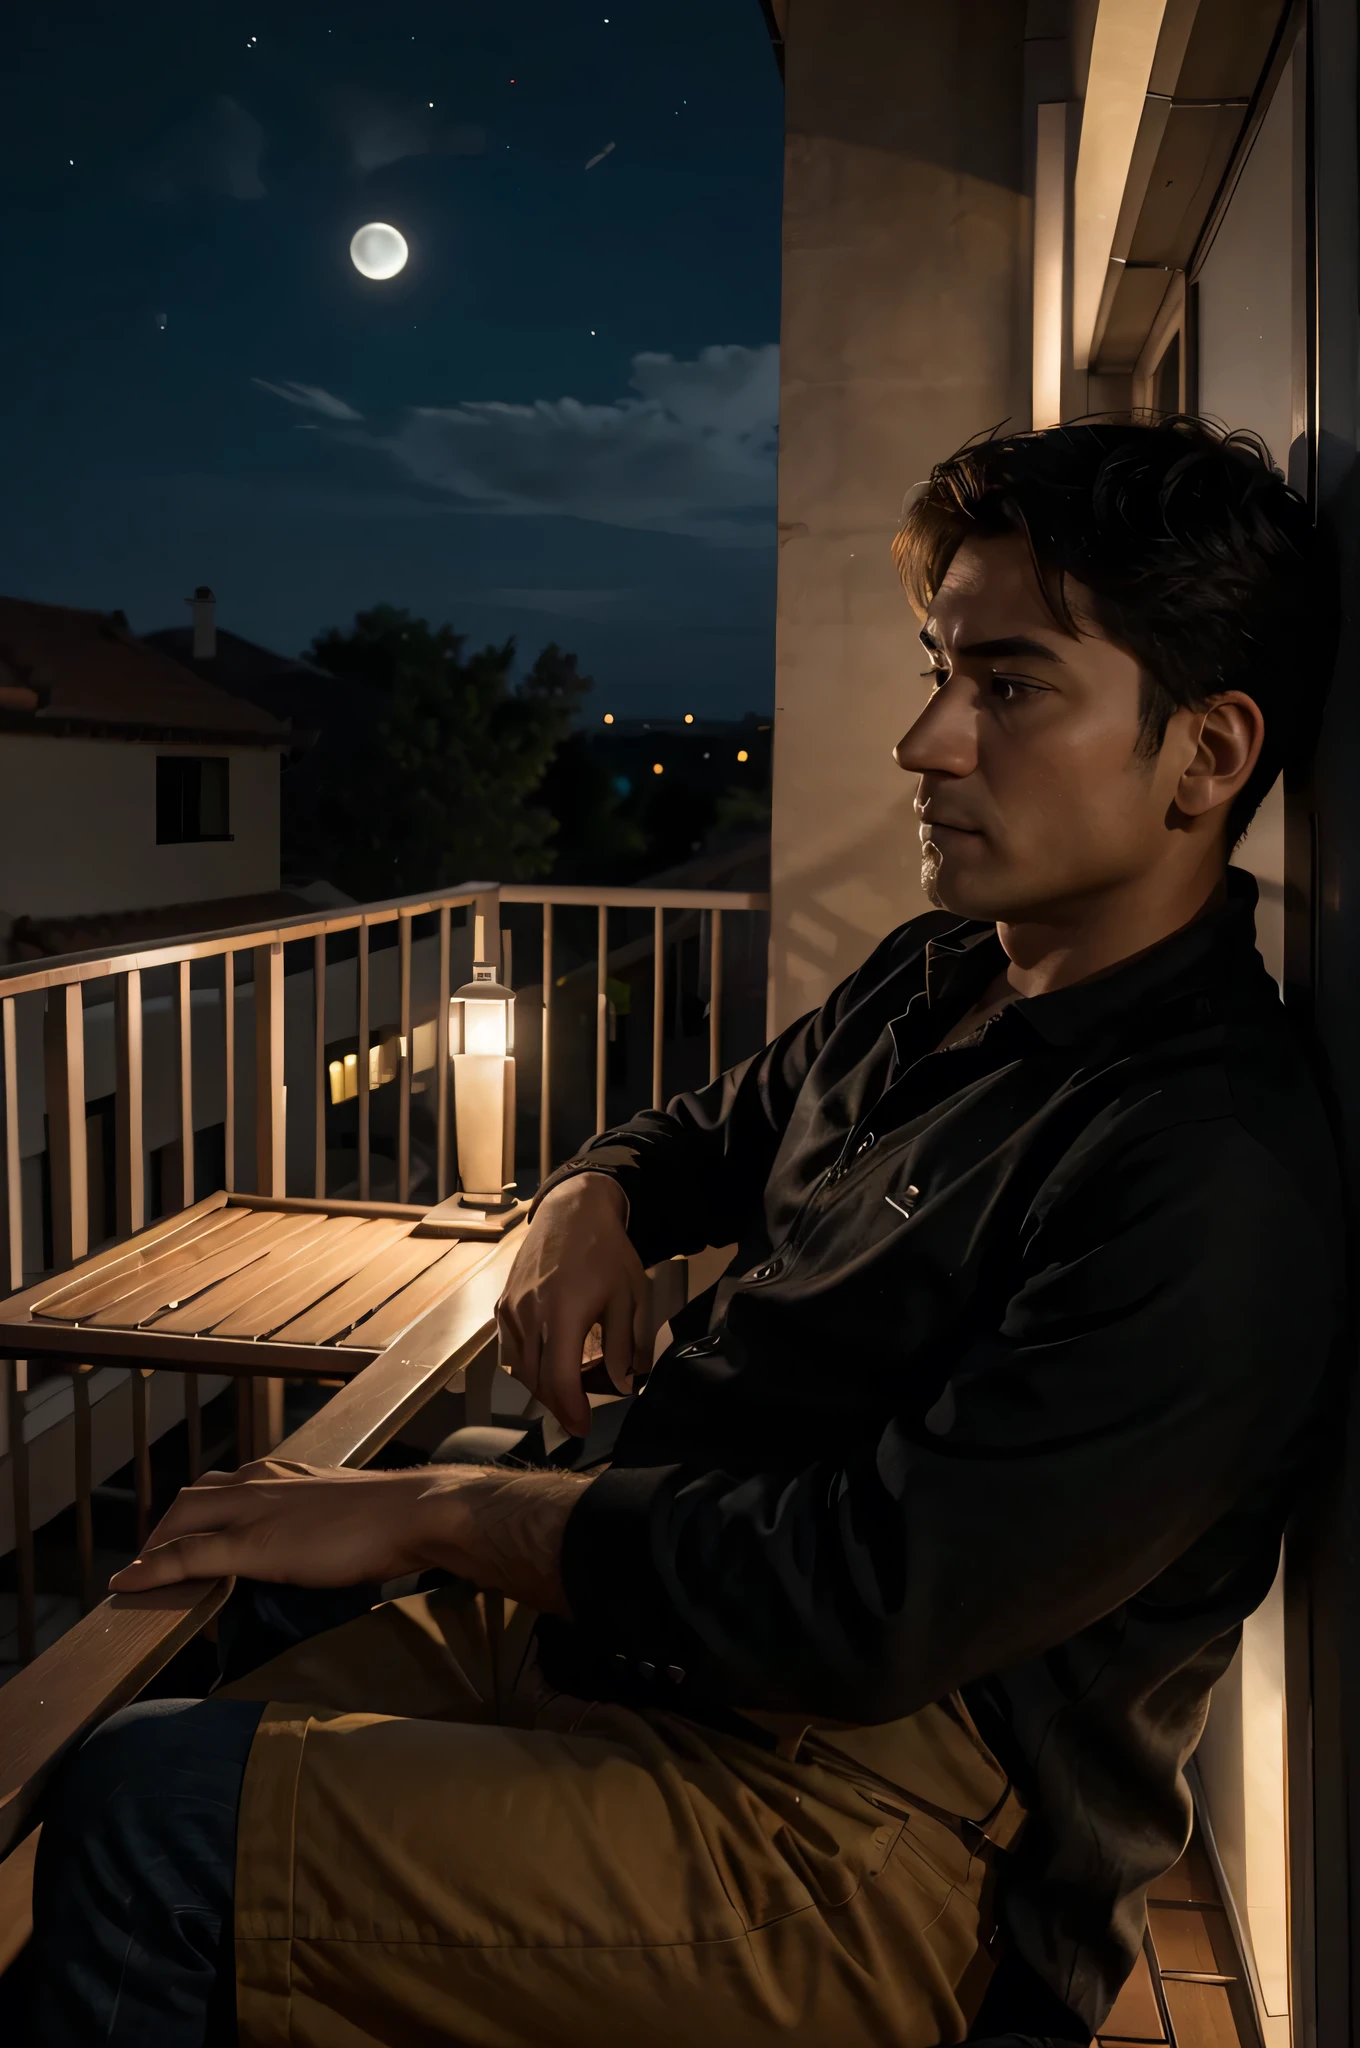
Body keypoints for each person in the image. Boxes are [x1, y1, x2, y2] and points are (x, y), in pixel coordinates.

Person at [30, 416, 1344, 2048]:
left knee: (155, 1818)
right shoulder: (936, 982)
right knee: (234, 1610)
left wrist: (442, 1508)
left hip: (876, 1838)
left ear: (1207, 758)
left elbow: (867, 1606)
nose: (925, 741)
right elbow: (692, 1137)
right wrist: (593, 1199)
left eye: (1007, 687)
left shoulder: (1204, 1166)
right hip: (655, 1647)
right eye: (940, 671)